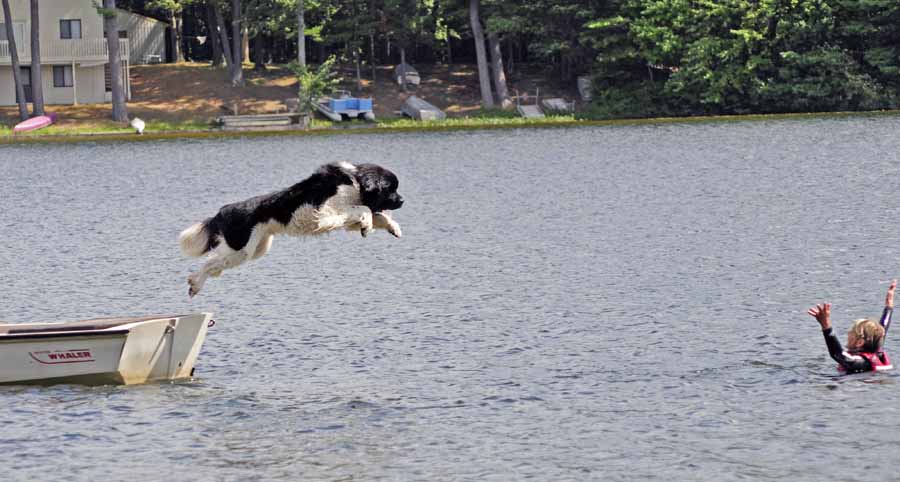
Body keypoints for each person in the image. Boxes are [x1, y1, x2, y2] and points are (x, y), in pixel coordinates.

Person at [808, 280, 896, 373]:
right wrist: (889, 306)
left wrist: (826, 326)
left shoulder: (861, 362)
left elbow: (838, 354)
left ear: (860, 342)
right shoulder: (876, 350)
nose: (849, 333)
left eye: (853, 332)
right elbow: (883, 328)